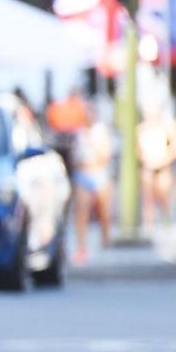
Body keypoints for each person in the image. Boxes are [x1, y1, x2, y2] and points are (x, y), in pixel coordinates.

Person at [70, 101, 114, 264]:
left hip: (99, 173)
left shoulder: (100, 131)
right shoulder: (79, 133)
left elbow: (105, 154)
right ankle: (82, 246)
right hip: (83, 173)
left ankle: (106, 239)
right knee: (82, 210)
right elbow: (75, 157)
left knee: (104, 211)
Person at [138, 101, 176, 230]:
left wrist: (167, 158)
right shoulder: (141, 129)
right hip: (148, 167)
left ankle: (166, 221)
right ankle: (149, 225)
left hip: (163, 167)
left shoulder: (167, 128)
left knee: (164, 196)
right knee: (148, 200)